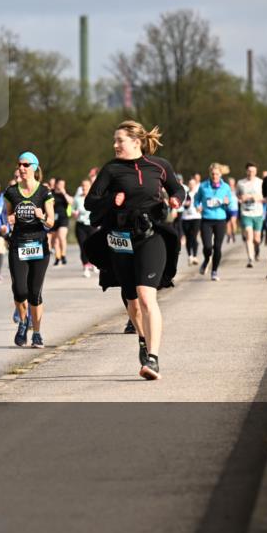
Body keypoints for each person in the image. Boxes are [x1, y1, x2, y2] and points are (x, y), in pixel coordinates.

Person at [84, 121, 183, 380]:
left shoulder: (160, 166)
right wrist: (110, 200)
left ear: (136, 142)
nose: (115, 145)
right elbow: (89, 201)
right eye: (114, 141)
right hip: (120, 239)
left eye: (120, 140)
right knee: (132, 301)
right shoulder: (111, 169)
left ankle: (153, 358)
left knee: (146, 295)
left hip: (151, 236)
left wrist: (176, 199)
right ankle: (142, 338)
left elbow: (177, 188)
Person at [5, 152, 55, 348]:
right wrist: (8, 220)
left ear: (35, 167)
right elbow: (7, 216)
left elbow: (51, 222)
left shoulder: (44, 193)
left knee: (34, 293)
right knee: (19, 290)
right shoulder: (11, 192)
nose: (22, 168)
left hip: (39, 246)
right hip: (18, 245)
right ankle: (23, 322)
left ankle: (37, 333)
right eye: (19, 164)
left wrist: (41, 216)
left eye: (26, 164)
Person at [194, 163, 234, 281]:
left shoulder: (226, 187)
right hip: (206, 219)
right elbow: (196, 199)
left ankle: (214, 271)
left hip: (220, 220)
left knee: (217, 247)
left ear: (220, 174)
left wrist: (227, 202)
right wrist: (198, 206)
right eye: (212, 174)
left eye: (217, 174)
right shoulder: (203, 186)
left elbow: (230, 201)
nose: (214, 176)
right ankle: (207, 260)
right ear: (210, 174)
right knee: (207, 246)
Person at [236, 162, 265, 268]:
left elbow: (265, 197)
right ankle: (250, 259)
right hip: (246, 213)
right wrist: (241, 199)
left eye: (253, 171)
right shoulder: (240, 183)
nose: (251, 173)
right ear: (246, 171)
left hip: (258, 213)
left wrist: (254, 197)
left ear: (256, 171)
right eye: (249, 171)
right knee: (249, 235)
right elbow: (237, 196)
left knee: (257, 239)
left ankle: (257, 249)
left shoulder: (261, 182)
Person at [73, 180, 96, 277]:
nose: (84, 187)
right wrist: (73, 212)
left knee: (92, 246)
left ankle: (94, 263)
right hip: (80, 225)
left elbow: (99, 209)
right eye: (82, 186)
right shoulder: (77, 198)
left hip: (91, 225)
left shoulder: (94, 197)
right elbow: (72, 209)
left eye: (86, 186)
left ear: (90, 186)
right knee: (83, 247)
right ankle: (86, 267)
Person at [180, 177, 201, 265]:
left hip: (196, 217)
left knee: (194, 236)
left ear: (195, 185)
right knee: (188, 238)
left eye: (193, 184)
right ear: (188, 185)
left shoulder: (198, 194)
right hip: (185, 218)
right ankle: (190, 256)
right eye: (190, 184)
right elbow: (179, 204)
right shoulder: (184, 194)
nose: (192, 186)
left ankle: (195, 256)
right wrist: (184, 203)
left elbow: (202, 203)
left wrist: (200, 208)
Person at [51, 179, 71, 265]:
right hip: (54, 218)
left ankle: (63, 255)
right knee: (55, 241)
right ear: (56, 184)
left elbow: (71, 202)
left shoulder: (65, 193)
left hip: (63, 217)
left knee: (61, 237)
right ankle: (57, 257)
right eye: (60, 184)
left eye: (63, 184)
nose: (62, 186)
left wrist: (64, 193)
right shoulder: (51, 193)